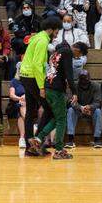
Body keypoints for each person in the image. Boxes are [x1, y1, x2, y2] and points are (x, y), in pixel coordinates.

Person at [17, 16, 62, 152]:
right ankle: (37, 141)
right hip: (32, 77)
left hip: (25, 76)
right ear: (51, 29)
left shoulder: (37, 37)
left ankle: (30, 145)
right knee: (49, 110)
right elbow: (37, 64)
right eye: (57, 30)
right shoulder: (42, 40)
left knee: (31, 111)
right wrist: (42, 86)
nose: (58, 33)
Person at [28, 40, 75, 159]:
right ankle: (59, 150)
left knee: (57, 117)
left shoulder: (54, 54)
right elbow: (69, 74)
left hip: (48, 88)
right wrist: (74, 92)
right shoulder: (67, 52)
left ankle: (38, 139)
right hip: (56, 90)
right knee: (62, 120)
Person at [67, 69, 102, 147]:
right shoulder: (73, 86)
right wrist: (80, 108)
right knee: (70, 110)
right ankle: (70, 139)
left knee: (98, 111)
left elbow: (98, 102)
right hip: (78, 110)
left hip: (91, 110)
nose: (83, 83)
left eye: (85, 80)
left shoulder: (96, 86)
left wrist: (90, 107)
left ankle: (97, 139)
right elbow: (70, 101)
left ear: (89, 79)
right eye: (82, 80)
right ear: (79, 80)